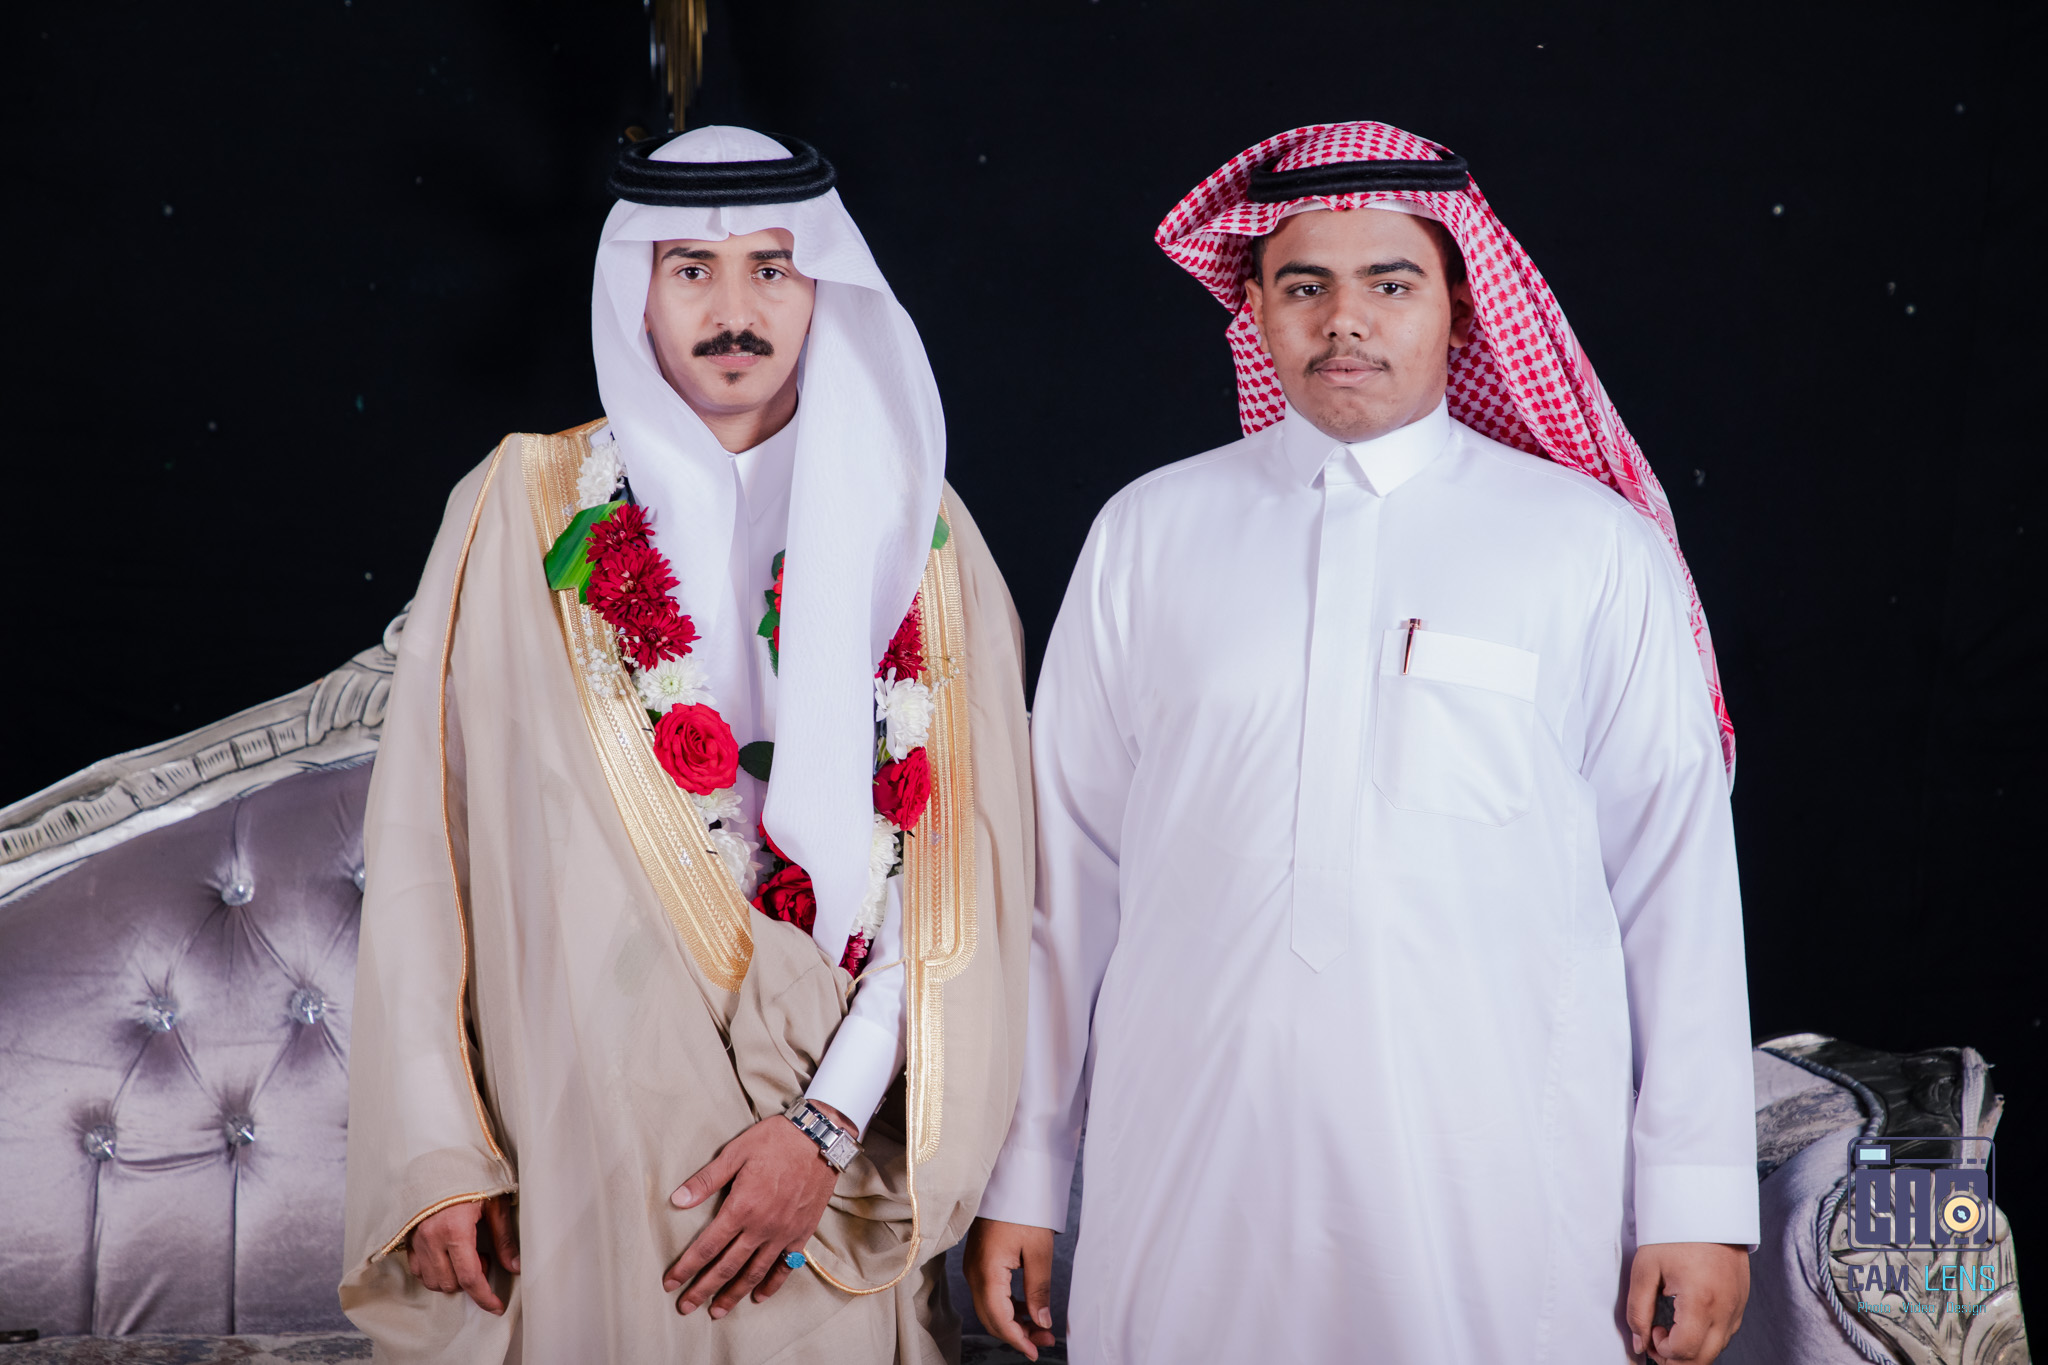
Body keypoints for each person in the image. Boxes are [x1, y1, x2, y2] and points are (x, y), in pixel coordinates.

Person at [966, 122, 1757, 1364]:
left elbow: (1675, 885)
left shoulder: (1589, 549)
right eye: (1304, 285)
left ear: (1459, 305)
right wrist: (1024, 1174)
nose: (1345, 321)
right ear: (1254, 308)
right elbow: (1062, 885)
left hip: (1497, 1175)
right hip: (1186, 1162)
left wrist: (1696, 1201)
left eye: (1389, 284)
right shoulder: (1147, 535)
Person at [341, 125, 1033, 1363]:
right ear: (637, 293)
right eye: (691, 271)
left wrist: (823, 1128)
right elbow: (420, 843)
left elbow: (956, 879)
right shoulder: (516, 508)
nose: (733, 312)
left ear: (823, 289)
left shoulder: (920, 534)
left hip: (824, 1147)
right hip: (570, 1130)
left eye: (772, 268)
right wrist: (439, 1151)